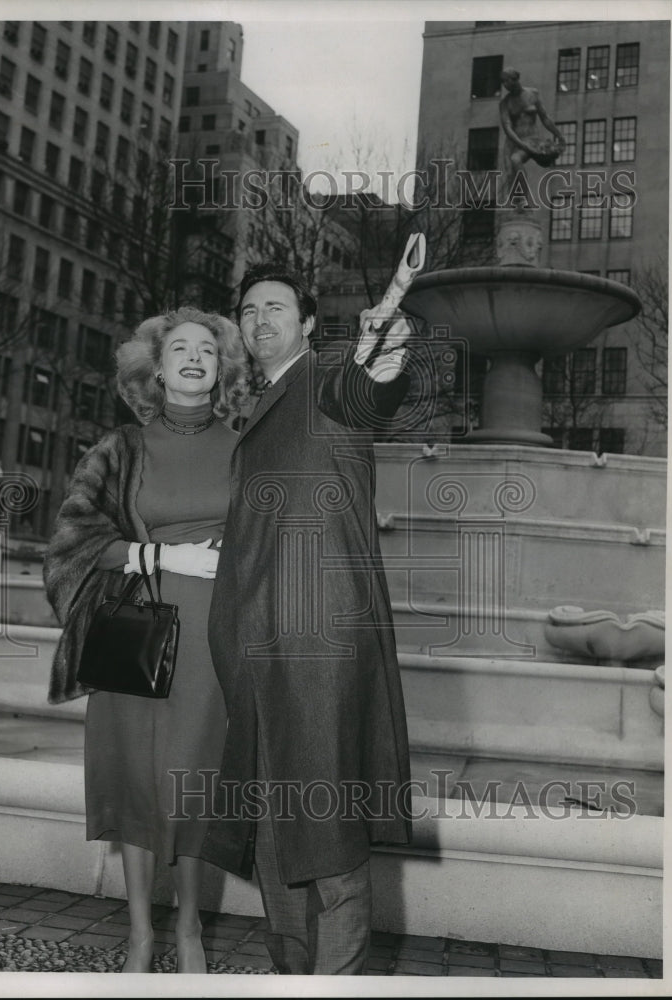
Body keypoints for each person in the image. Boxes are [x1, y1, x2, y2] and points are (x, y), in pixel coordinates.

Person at [199, 263, 415, 975]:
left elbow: (369, 389)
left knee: (328, 843)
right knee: (272, 837)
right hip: (261, 657)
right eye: (250, 310)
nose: (262, 320)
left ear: (309, 322)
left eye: (277, 307)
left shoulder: (325, 380)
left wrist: (383, 352)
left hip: (318, 650)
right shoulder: (261, 405)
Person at [43, 306, 250, 973]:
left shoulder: (247, 446)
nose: (194, 359)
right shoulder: (119, 449)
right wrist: (155, 559)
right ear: (155, 371)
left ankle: (189, 928)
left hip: (217, 637)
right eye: (180, 350)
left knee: (194, 779)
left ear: (222, 372)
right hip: (137, 629)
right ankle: (139, 935)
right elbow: (74, 539)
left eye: (208, 352)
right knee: (135, 779)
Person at [499, 66, 566, 190]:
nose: (504, 84)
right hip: (517, 141)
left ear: (515, 79)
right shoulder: (505, 103)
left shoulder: (532, 94)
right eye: (502, 82)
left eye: (506, 80)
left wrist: (558, 134)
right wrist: (523, 145)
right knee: (514, 161)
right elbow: (507, 129)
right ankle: (524, 197)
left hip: (534, 139)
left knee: (548, 155)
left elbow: (544, 117)